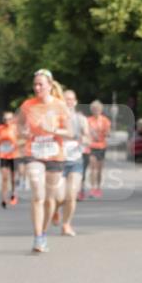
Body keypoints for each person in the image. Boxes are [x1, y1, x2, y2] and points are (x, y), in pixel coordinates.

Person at [17, 69, 70, 253]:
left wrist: (53, 130)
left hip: (55, 154)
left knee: (50, 199)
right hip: (34, 152)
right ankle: (38, 237)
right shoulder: (27, 105)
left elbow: (70, 132)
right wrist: (23, 132)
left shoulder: (60, 105)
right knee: (38, 194)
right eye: (35, 84)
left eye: (40, 84)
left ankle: (44, 233)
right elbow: (19, 125)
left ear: (50, 85)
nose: (37, 87)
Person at [53, 89, 90, 236]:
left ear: (75, 102)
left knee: (71, 195)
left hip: (76, 160)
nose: (68, 101)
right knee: (59, 196)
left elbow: (87, 137)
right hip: (58, 161)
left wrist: (84, 140)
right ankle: (55, 209)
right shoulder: (55, 118)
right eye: (65, 99)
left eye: (70, 99)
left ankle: (66, 224)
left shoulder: (81, 119)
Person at [87, 100, 111, 198]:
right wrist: (90, 134)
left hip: (102, 146)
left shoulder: (105, 120)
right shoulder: (88, 120)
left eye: (97, 109)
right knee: (93, 168)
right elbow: (85, 132)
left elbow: (108, 133)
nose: (96, 110)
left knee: (99, 170)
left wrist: (106, 133)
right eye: (94, 109)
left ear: (101, 110)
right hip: (91, 146)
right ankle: (92, 188)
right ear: (91, 110)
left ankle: (98, 188)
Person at [0, 111, 19, 208]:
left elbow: (21, 140)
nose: (7, 121)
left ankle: (13, 193)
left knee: (13, 178)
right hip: (3, 155)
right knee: (4, 177)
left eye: (9, 119)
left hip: (14, 155)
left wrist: (16, 145)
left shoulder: (16, 128)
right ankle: (4, 198)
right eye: (5, 119)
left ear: (13, 119)